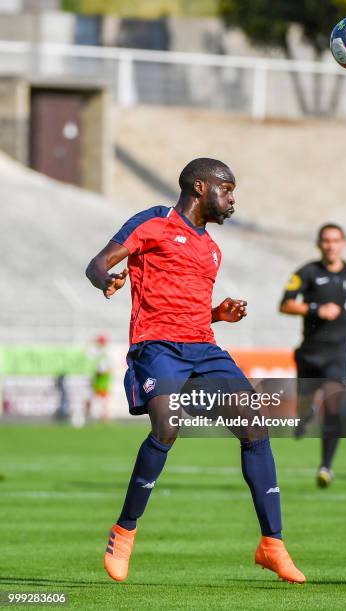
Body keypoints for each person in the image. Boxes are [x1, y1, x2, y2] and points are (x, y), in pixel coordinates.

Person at [86, 158, 305, 584]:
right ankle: (124, 531)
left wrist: (217, 314)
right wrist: (105, 280)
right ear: (201, 188)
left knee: (254, 426)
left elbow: (187, 313)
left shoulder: (212, 249)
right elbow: (96, 263)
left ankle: (272, 544)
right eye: (228, 190)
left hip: (203, 347)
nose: (233, 200)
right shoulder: (153, 222)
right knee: (167, 427)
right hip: (156, 346)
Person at [279, 223, 346, 487]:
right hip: (310, 353)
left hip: (338, 354)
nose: (331, 245)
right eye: (326, 241)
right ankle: (304, 417)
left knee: (333, 406)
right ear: (319, 244)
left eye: (336, 240)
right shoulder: (306, 273)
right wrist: (316, 309)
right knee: (305, 404)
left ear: (343, 243)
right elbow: (285, 304)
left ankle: (325, 467)